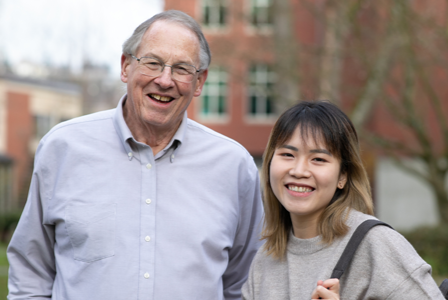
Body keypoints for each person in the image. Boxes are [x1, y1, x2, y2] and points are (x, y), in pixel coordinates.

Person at [7, 10, 263, 300]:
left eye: (181, 69)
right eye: (152, 63)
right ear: (125, 67)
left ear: (200, 81)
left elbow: (244, 284)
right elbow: (31, 273)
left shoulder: (235, 167)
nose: (165, 80)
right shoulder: (62, 149)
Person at [241, 101, 445, 299]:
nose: (299, 170)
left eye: (318, 159)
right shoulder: (264, 259)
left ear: (343, 176)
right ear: (269, 163)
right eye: (287, 154)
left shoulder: (376, 244)